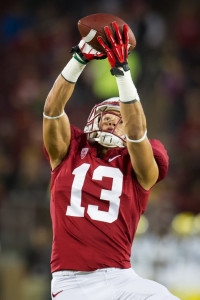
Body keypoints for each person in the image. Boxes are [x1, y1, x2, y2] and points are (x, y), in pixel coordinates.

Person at [43, 22, 180, 300]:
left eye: (118, 121)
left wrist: (122, 72)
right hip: (72, 281)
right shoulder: (70, 148)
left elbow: (138, 133)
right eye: (106, 117)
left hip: (121, 276)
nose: (109, 124)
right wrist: (78, 59)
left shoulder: (139, 159)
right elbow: (51, 111)